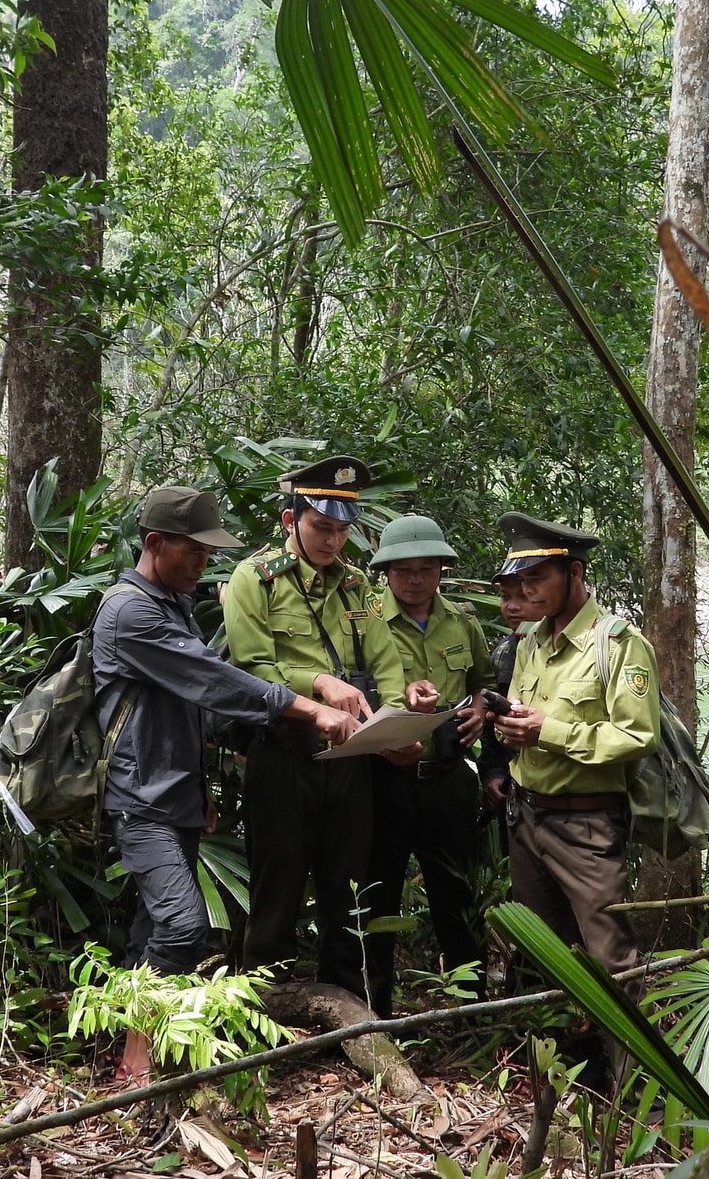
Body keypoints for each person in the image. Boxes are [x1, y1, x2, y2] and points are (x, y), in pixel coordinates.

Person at [92, 485, 359, 1082]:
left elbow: (185, 711)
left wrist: (202, 789)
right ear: (154, 543)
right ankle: (137, 1064)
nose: (203, 562)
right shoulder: (130, 612)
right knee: (181, 926)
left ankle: (128, 1051)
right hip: (141, 800)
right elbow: (213, 680)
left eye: (209, 552)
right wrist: (308, 707)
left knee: (151, 929)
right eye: (193, 550)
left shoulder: (173, 604)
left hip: (176, 796)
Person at [222, 455, 427, 996]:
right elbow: (250, 670)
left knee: (349, 888)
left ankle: (350, 1009)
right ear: (291, 520)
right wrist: (317, 683)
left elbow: (385, 663)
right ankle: (266, 1009)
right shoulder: (255, 579)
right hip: (284, 756)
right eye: (321, 527)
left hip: (353, 757)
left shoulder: (355, 585)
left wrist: (396, 722)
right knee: (278, 888)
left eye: (342, 530)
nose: (333, 541)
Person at [490, 512, 658, 976]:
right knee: (540, 953)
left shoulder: (618, 644)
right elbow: (522, 714)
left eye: (537, 579)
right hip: (525, 818)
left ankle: (625, 1029)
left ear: (575, 573)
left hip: (584, 824)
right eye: (521, 581)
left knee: (609, 959)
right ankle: (548, 1027)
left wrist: (547, 732)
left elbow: (638, 735)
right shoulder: (531, 641)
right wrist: (509, 725)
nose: (527, 591)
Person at [363, 514, 494, 1017]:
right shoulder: (366, 619)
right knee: (378, 898)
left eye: (426, 570)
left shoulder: (461, 620)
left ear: (441, 569)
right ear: (386, 573)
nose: (415, 580)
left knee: (456, 898)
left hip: (448, 780)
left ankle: (470, 1010)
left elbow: (484, 681)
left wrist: (480, 707)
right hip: (385, 781)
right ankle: (373, 1014)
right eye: (403, 571)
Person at [475, 570, 534, 813]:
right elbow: (489, 721)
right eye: (505, 596)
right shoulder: (504, 652)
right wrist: (493, 773)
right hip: (513, 790)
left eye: (523, 596)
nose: (512, 606)